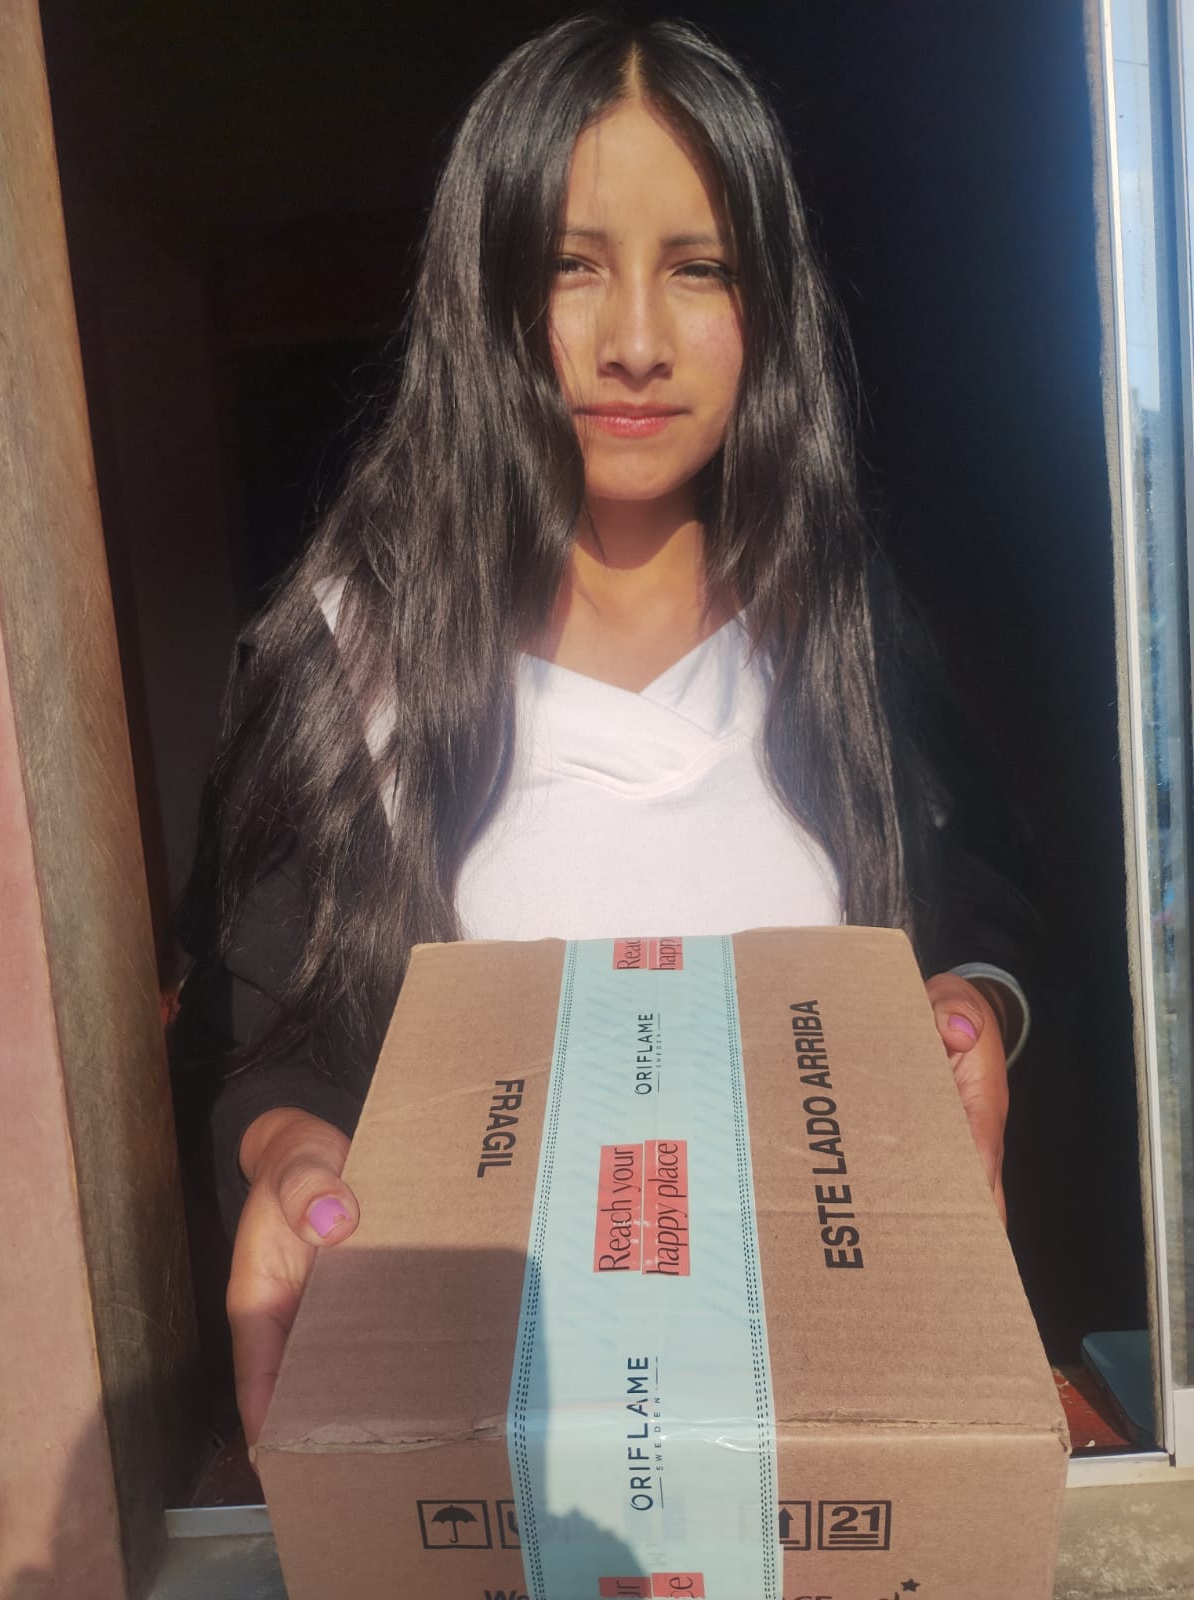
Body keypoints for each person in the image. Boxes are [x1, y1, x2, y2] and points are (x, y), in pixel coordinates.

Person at [169, 13, 1032, 1449]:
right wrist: (290, 1156)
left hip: (825, 1428)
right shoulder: (347, 660)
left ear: (772, 304)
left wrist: (974, 1008)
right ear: (482, 290)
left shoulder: (843, 625)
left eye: (700, 269)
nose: (635, 344)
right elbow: (260, 1042)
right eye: (571, 267)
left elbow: (983, 899)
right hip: (490, 1447)